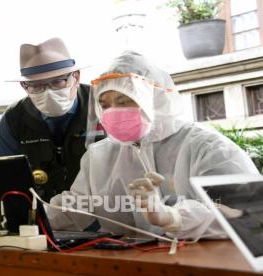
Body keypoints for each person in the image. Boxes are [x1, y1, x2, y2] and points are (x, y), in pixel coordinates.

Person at [48, 51, 259, 240]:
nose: (113, 112)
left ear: (156, 100)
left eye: (123, 101)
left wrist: (173, 217)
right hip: (128, 264)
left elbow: (245, 212)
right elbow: (76, 208)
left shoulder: (208, 147)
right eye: (105, 105)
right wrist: (29, 214)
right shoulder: (100, 156)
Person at [0, 37, 104, 202]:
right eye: (36, 85)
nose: (48, 92)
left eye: (57, 81)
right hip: (42, 214)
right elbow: (10, 179)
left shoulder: (103, 104)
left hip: (103, 211)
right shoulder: (13, 121)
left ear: (76, 77)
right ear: (24, 86)